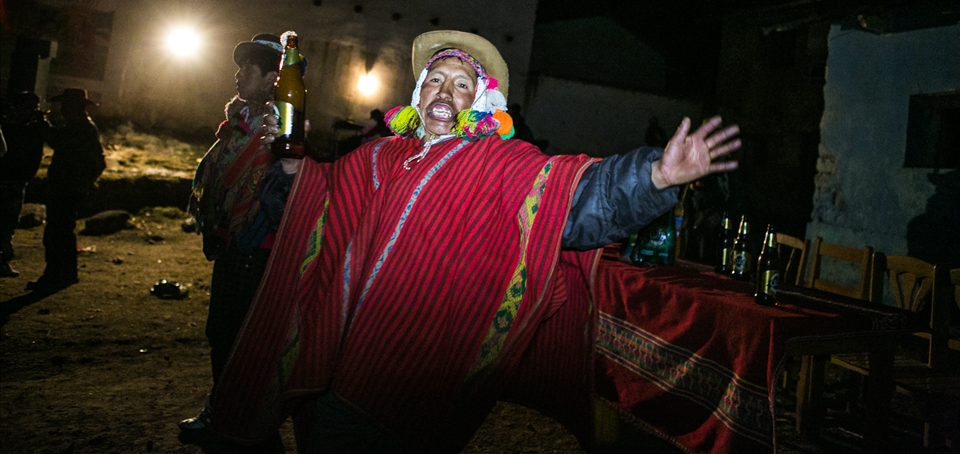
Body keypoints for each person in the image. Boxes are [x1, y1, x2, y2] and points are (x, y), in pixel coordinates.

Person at [211, 30, 741, 453]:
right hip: (331, 373)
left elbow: (577, 204)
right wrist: (288, 171)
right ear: (417, 96)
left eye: (460, 84)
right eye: (434, 80)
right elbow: (311, 211)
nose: (444, 91)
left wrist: (654, 177)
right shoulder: (374, 158)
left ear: (482, 101)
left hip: (415, 381)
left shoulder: (502, 165)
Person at [178, 33, 301, 436]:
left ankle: (235, 418)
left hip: (259, 251)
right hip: (234, 246)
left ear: (271, 80)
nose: (238, 74)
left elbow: (282, 197)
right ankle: (235, 414)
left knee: (240, 338)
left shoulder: (282, 128)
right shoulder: (237, 124)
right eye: (240, 65)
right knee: (223, 334)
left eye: (249, 67)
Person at [27, 88, 105, 292]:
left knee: (56, 233)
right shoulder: (82, 126)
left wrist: (43, 125)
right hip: (70, 187)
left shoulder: (81, 128)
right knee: (63, 232)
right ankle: (67, 274)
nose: (62, 109)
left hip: (67, 188)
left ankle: (53, 275)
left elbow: (58, 142)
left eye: (65, 105)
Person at [0, 92, 50, 277]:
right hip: (9, 181)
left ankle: (3, 261)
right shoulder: (8, 127)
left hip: (16, 182)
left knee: (8, 224)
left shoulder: (32, 130)